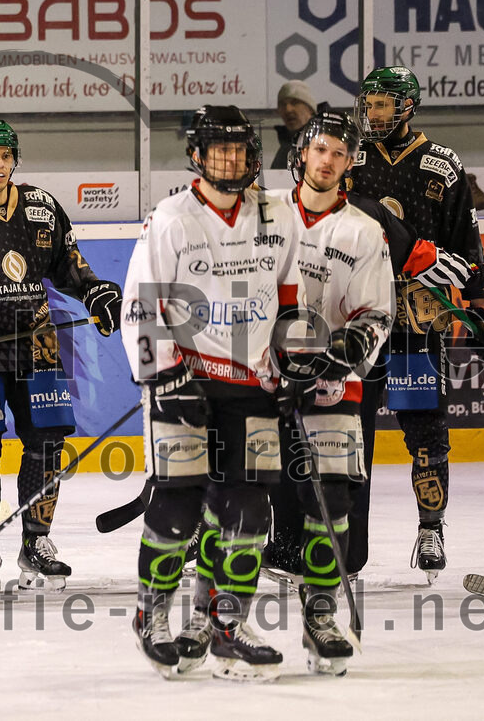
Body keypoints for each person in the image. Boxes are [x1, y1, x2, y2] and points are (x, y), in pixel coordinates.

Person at [121, 105, 299, 682]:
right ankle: (151, 615)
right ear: (196, 155)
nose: (230, 159)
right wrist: (165, 378)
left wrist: (296, 360)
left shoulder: (277, 216)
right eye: (217, 149)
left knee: (248, 511)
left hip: (251, 387)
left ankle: (225, 623)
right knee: (177, 505)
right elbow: (142, 303)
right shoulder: (170, 218)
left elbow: (289, 301)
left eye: (239, 149)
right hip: (186, 383)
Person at [0, 119, 122, 593]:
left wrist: (98, 291)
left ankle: (36, 542)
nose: (0, 165)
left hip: (38, 343)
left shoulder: (42, 207)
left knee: (47, 444)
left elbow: (72, 265)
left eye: (6, 157)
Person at [349, 65, 484, 582]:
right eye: (368, 104)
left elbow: (466, 239)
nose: (372, 113)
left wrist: (477, 303)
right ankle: (341, 538)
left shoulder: (442, 165)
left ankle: (430, 527)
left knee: (424, 424)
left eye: (383, 104)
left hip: (418, 316)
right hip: (356, 314)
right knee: (347, 426)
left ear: (407, 106)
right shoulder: (352, 157)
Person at [268, 111, 394, 675]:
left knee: (334, 499)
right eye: (320, 149)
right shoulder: (260, 213)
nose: (328, 160)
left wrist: (338, 350)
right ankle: (226, 616)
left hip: (331, 383)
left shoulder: (365, 231)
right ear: (302, 153)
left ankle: (321, 613)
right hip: (259, 381)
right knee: (239, 500)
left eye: (340, 153)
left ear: (350, 163)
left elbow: (376, 315)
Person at [270, 80, 316, 169]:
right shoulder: (285, 147)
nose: (288, 109)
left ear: (310, 108)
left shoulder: (323, 143)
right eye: (282, 104)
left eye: (295, 102)